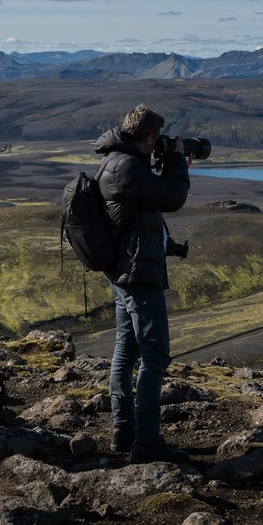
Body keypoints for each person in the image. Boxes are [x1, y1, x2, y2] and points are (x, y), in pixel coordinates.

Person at [94, 103, 193, 464]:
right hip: (138, 275)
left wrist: (164, 161)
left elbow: (147, 201)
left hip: (124, 271)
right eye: (156, 141)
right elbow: (173, 198)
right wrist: (178, 161)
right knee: (154, 356)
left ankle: (124, 431)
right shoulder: (128, 168)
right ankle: (147, 443)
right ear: (149, 138)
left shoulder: (116, 161)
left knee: (127, 351)